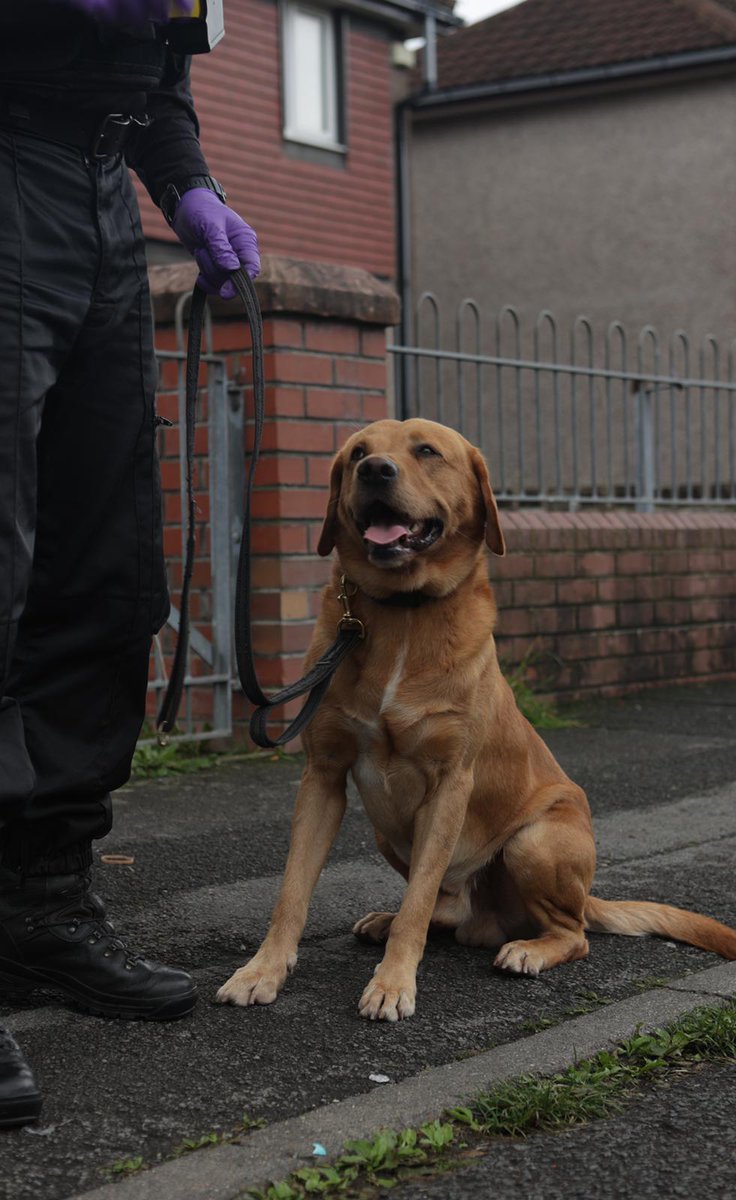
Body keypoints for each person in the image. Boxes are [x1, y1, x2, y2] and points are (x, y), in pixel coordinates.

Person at [0, 0, 260, 1127]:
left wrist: (185, 182)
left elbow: (161, 81)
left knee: (104, 576)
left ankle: (37, 913)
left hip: (100, 202)